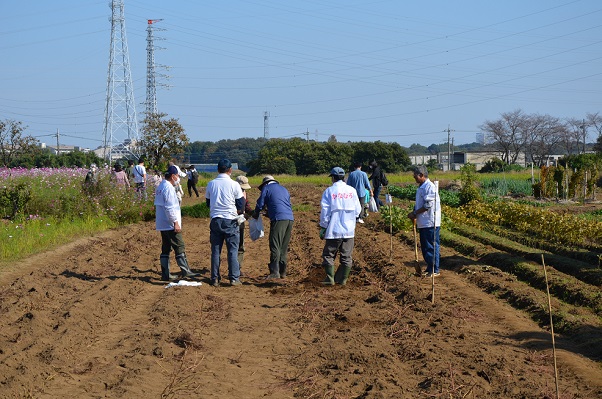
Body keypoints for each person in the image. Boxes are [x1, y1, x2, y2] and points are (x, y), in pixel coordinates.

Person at [155, 165, 200, 281]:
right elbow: (170, 207)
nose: (178, 178)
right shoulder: (168, 188)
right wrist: (175, 222)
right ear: (173, 176)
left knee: (166, 247)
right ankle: (185, 271)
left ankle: (165, 274)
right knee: (179, 245)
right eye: (177, 176)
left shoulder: (161, 186)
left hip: (162, 223)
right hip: (170, 223)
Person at [205, 159, 245, 287]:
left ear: (218, 169)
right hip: (230, 220)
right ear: (230, 170)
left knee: (216, 251)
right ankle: (234, 278)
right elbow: (241, 204)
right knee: (232, 250)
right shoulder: (234, 185)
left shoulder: (211, 184)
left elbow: (208, 202)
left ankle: (215, 278)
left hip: (216, 220)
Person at [319, 167, 362, 286]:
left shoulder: (329, 191)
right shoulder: (352, 190)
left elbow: (325, 211)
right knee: (346, 256)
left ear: (333, 177)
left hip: (334, 229)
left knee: (329, 254)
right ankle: (343, 279)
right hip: (349, 230)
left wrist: (323, 226)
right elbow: (358, 210)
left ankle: (330, 278)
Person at [252, 175, 294, 279]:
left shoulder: (267, 188)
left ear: (265, 183)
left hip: (279, 219)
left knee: (275, 244)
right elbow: (284, 204)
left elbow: (260, 203)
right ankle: (283, 271)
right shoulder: (284, 189)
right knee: (283, 246)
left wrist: (256, 213)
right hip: (289, 218)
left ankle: (275, 272)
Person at [407, 165, 441, 277]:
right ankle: (429, 267)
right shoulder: (421, 187)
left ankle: (435, 270)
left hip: (430, 221)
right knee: (426, 247)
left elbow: (427, 205)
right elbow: (420, 204)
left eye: (415, 176)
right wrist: (414, 213)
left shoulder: (430, 187)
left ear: (422, 175)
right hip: (423, 222)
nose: (414, 178)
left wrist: (415, 213)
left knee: (431, 246)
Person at [235, 175, 253, 275]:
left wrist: (251, 212)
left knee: (240, 245)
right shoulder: (231, 193)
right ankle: (233, 268)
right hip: (233, 221)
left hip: (241, 221)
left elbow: (247, 206)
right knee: (233, 245)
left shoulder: (244, 193)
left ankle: (238, 267)